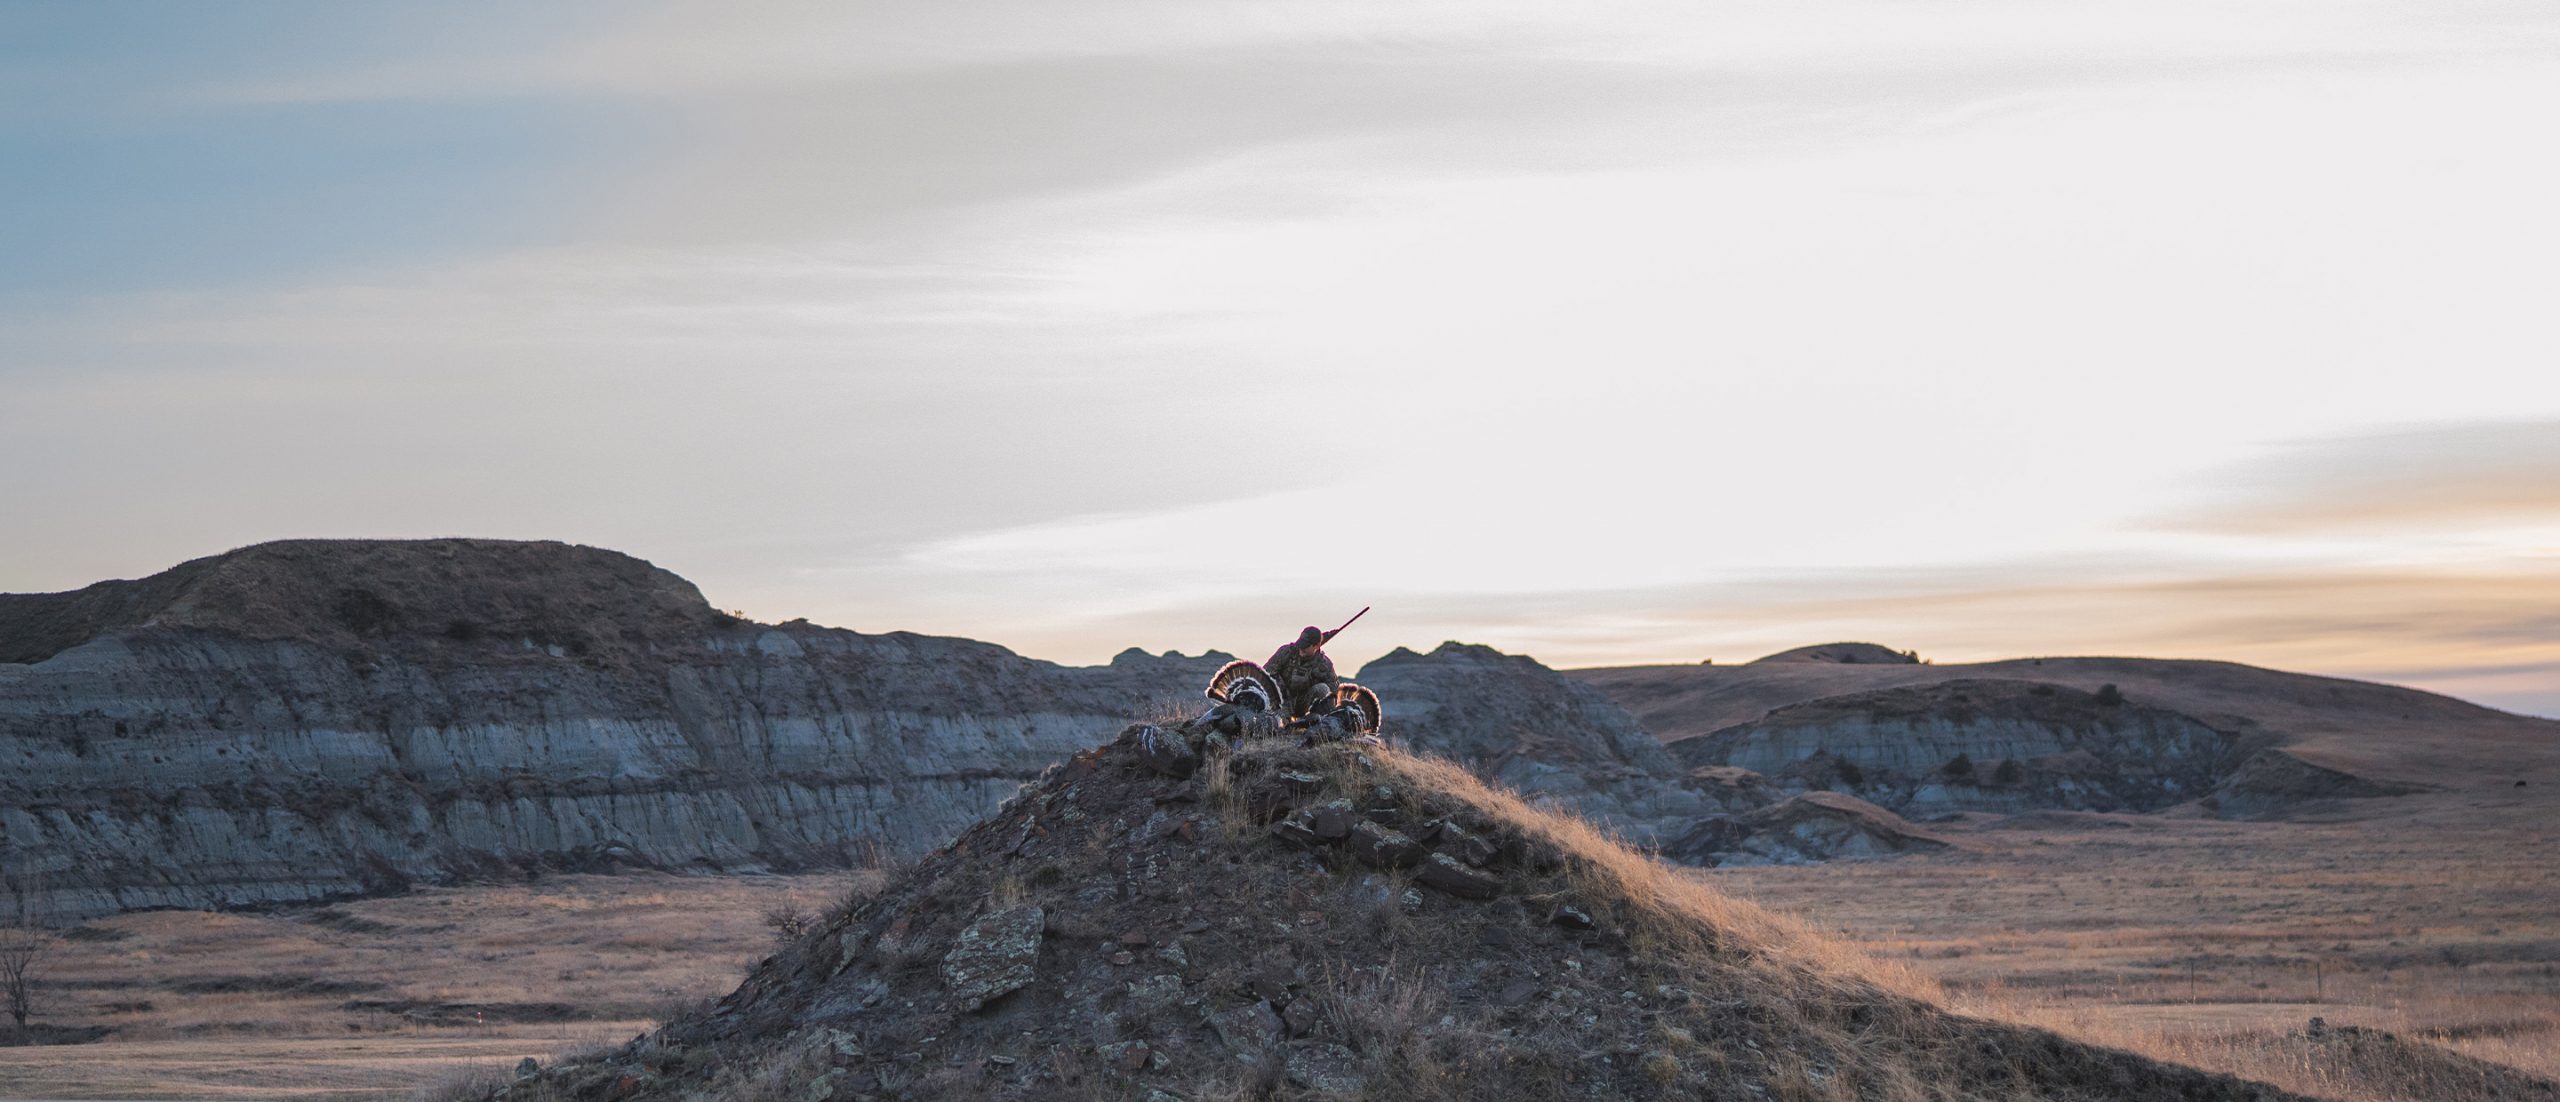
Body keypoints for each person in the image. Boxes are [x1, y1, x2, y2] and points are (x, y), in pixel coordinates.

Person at [1264, 625, 1337, 721]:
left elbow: (1334, 692)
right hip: (1280, 701)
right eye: (1300, 644)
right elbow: (1265, 674)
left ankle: (1316, 722)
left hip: (1304, 704)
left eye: (1306, 646)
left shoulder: (1325, 665)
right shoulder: (1286, 652)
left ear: (1316, 646)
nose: (1301, 648)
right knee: (1276, 724)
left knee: (1323, 689)